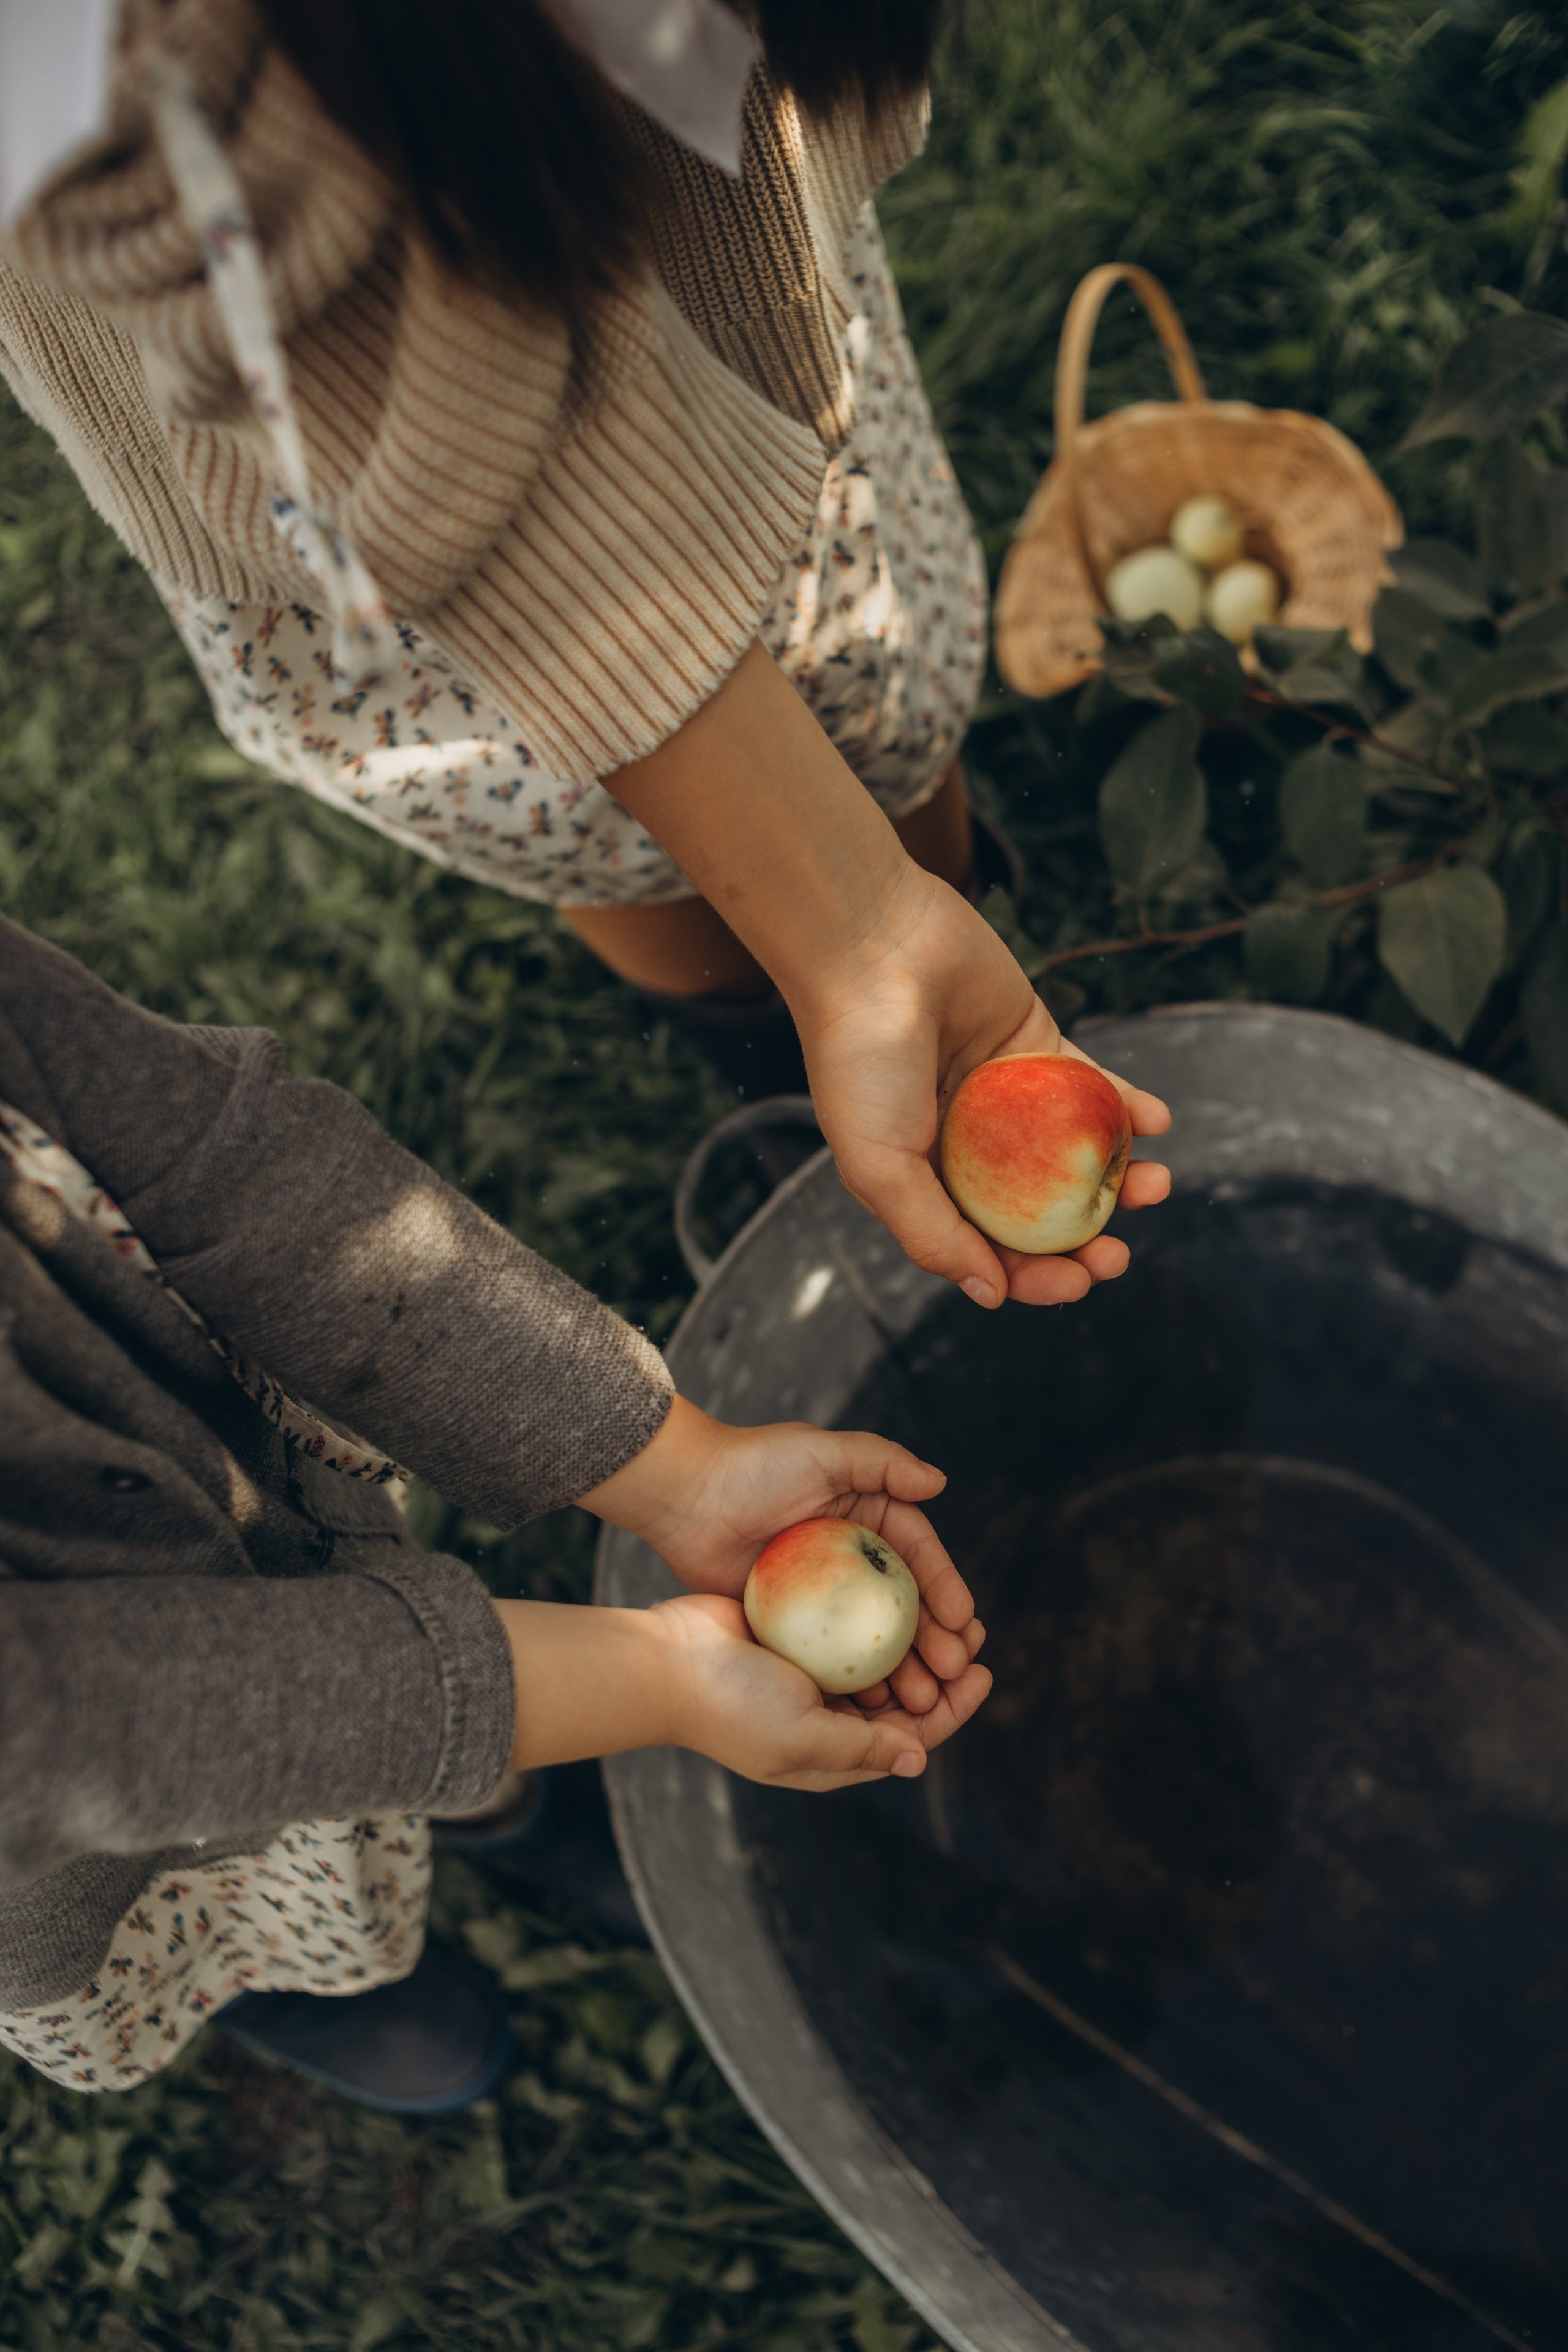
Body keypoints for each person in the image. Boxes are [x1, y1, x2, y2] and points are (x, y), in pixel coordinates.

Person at [0, 0, 1172, 1321]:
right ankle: (772, 1045)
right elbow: (341, 352)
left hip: (710, 276)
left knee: (882, 702)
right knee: (629, 844)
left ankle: (924, 933)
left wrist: (870, 923)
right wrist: (844, 931)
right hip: (385, 522)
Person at [0, 911, 990, 2111]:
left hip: (253, 1530)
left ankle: (486, 1798)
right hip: (50, 1856)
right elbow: (61, 1733)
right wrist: (659, 1680)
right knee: (186, 1906)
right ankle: (291, 1983)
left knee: (397, 1743)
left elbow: (212, 1157)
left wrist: (675, 1473)